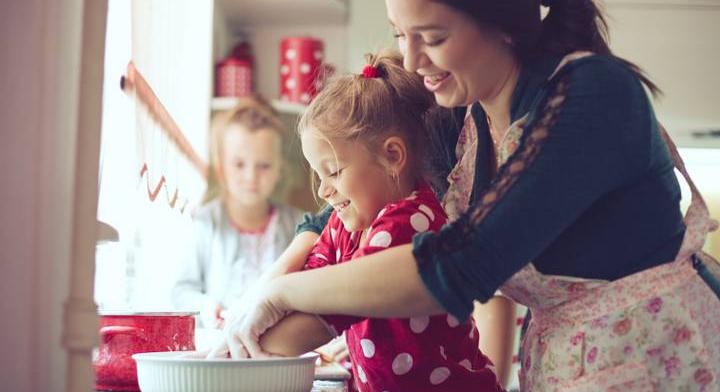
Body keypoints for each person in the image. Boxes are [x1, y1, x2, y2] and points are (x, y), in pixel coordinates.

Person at [217, 0, 720, 390]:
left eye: (432, 37)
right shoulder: (460, 109)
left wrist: (282, 293)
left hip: (657, 354)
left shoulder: (593, 96)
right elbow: (338, 207)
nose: (413, 61)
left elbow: (459, 266)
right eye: (400, 34)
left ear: (502, 21)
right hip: (569, 362)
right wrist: (267, 286)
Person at [226, 52, 503, 392]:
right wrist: (249, 319)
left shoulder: (410, 222)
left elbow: (326, 313)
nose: (325, 191)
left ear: (392, 157)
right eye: (318, 175)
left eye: (334, 172)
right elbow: (311, 276)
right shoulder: (347, 223)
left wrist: (237, 349)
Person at [172, 95, 303, 328]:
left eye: (264, 166)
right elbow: (182, 290)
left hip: (279, 347)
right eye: (239, 164)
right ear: (221, 168)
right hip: (219, 344)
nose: (251, 177)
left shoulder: (299, 226)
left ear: (278, 169)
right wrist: (207, 308)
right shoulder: (205, 222)